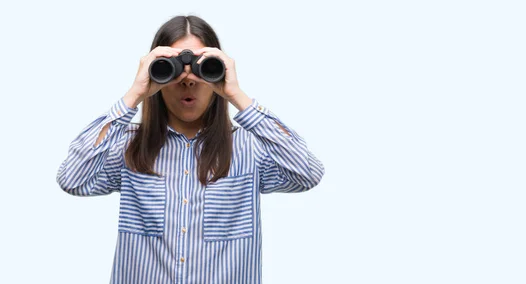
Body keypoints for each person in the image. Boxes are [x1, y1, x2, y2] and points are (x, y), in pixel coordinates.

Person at [56, 14, 325, 283]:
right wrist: (133, 95)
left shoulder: (250, 148)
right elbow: (72, 179)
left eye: (201, 67)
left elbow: (308, 173)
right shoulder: (128, 146)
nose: (188, 80)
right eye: (172, 67)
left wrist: (237, 95)